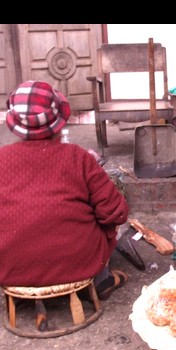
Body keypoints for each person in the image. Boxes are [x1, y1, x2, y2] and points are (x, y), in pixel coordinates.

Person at [0, 80, 129, 301]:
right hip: (78, 263)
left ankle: (25, 282)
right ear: (58, 122)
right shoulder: (78, 157)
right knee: (107, 219)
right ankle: (100, 280)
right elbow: (116, 212)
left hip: (10, 268)